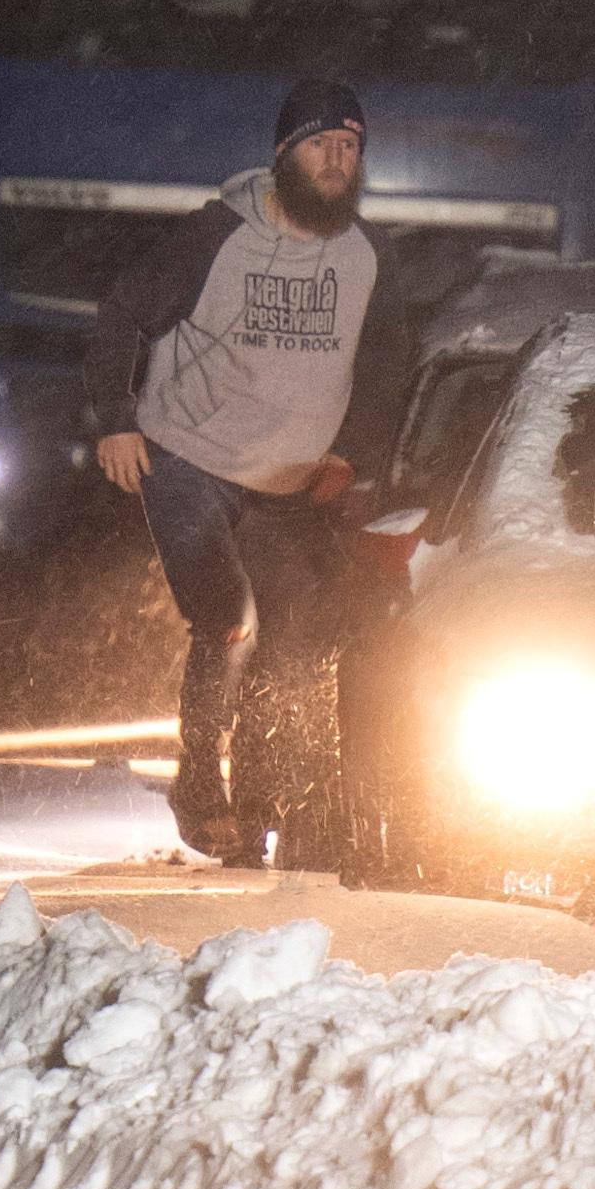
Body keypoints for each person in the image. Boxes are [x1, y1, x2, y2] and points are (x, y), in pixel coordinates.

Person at [81, 75, 391, 861]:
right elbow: (121, 311)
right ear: (285, 154)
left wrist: (351, 445)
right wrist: (116, 423)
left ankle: (260, 799)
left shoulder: (359, 256)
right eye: (321, 143)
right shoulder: (218, 234)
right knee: (231, 614)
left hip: (286, 482)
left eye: (350, 146)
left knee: (297, 635)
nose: (336, 160)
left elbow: (379, 358)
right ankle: (200, 785)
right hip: (187, 457)